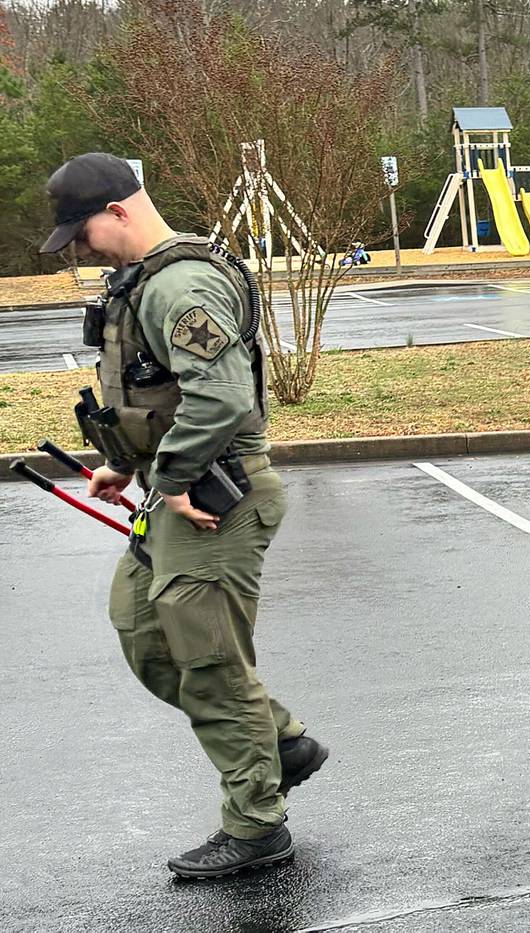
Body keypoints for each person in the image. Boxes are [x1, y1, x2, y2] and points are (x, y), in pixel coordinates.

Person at [39, 152, 329, 879]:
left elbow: (224, 397)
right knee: (144, 631)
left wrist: (167, 475)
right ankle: (281, 741)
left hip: (214, 499)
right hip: (181, 491)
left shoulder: (184, 285)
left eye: (81, 232)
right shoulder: (144, 282)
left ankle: (257, 824)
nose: (77, 248)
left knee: (209, 665)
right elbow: (162, 395)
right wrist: (128, 464)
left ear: (119, 211)